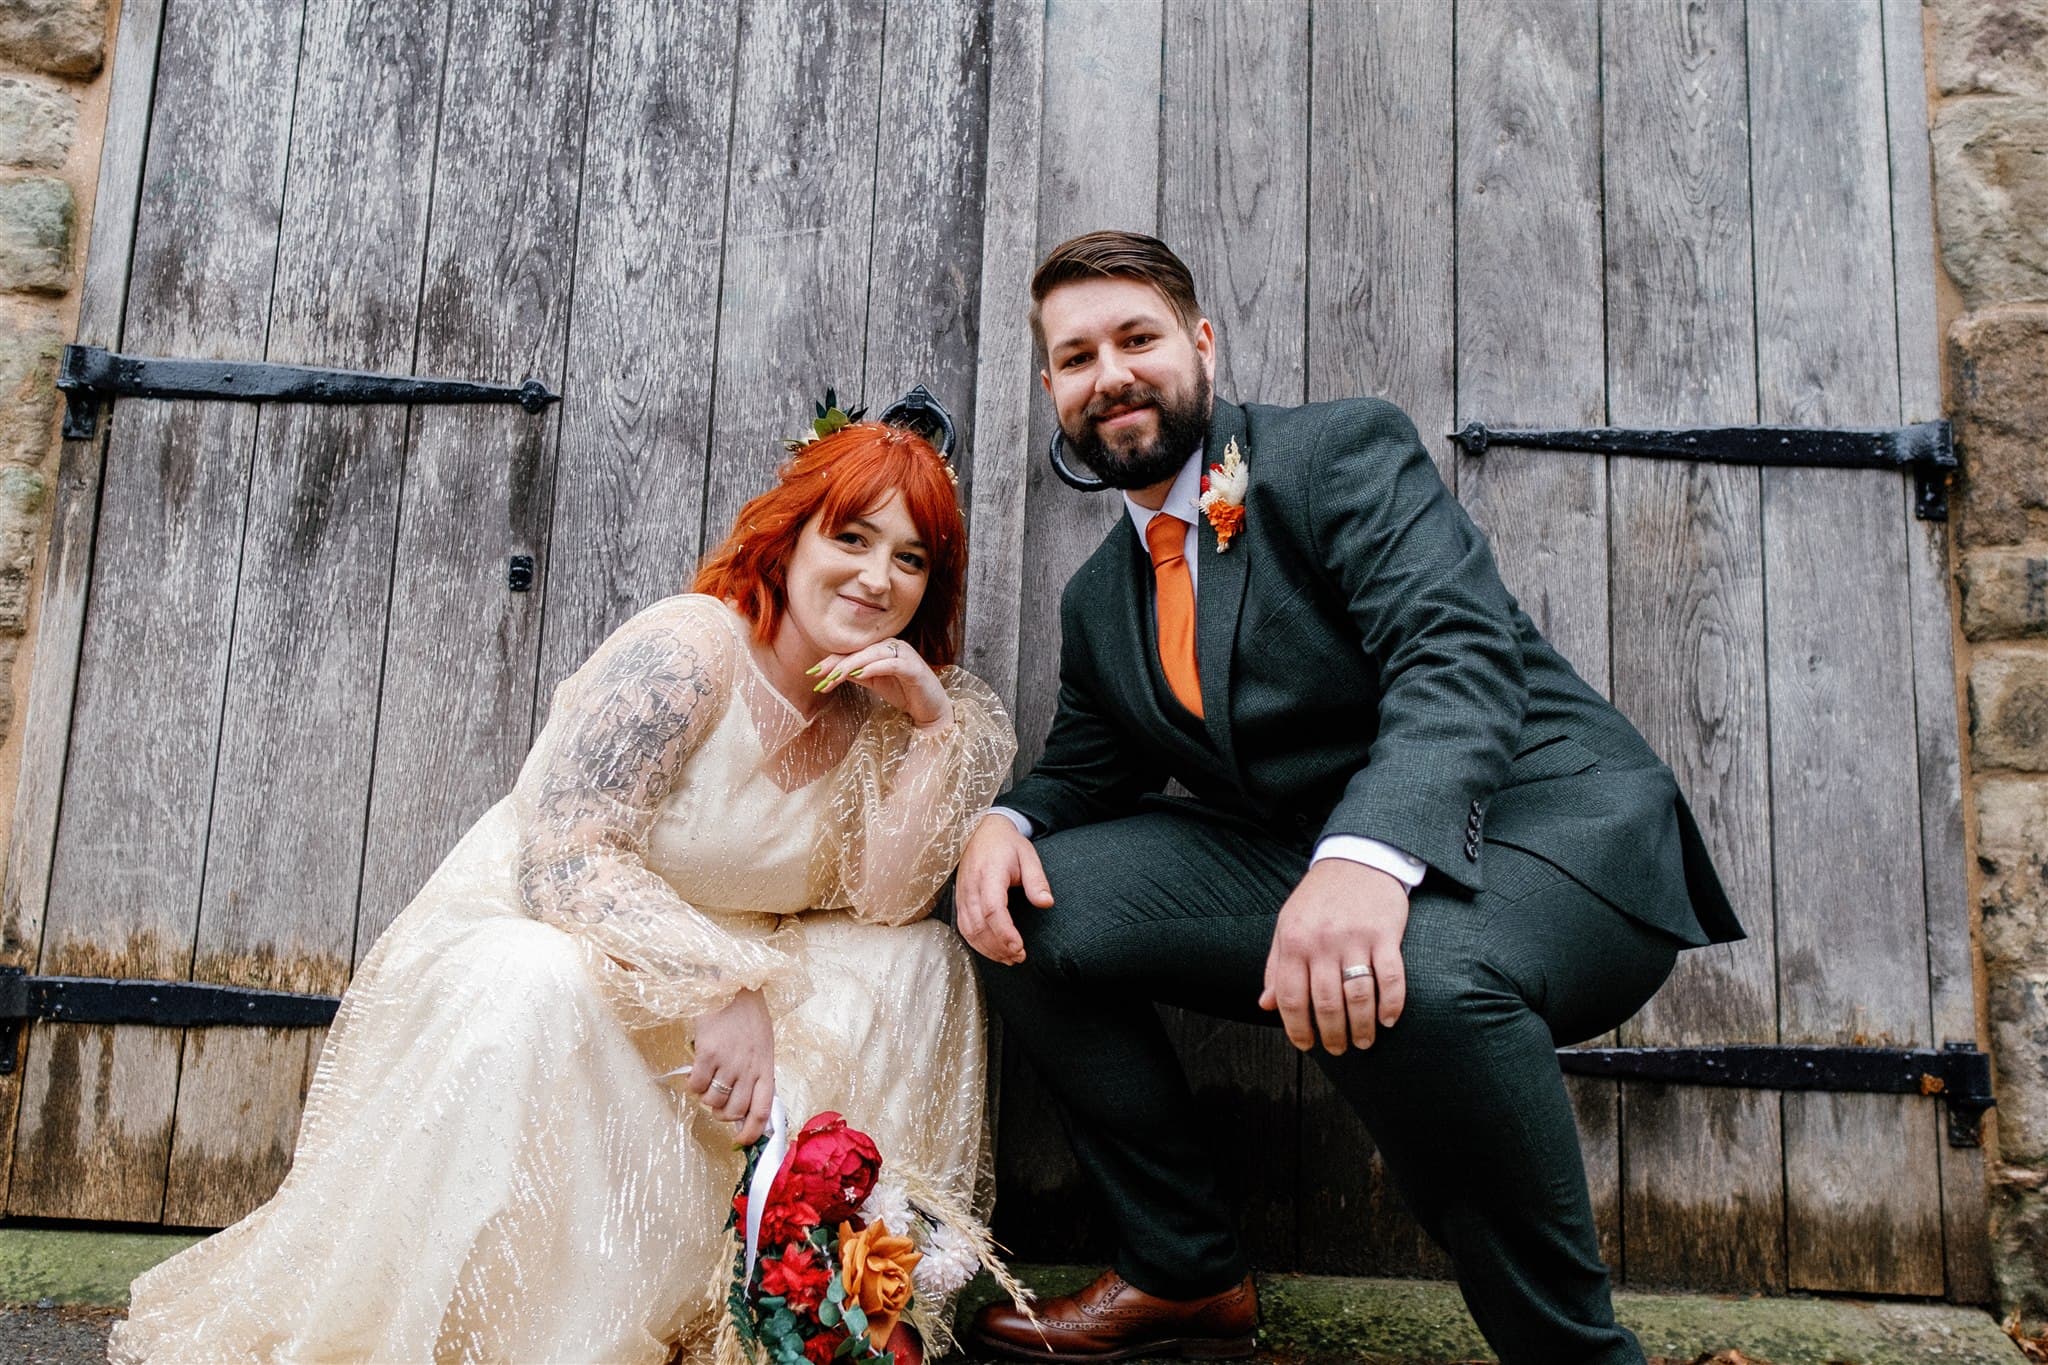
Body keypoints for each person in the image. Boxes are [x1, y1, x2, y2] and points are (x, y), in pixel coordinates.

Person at [954, 232, 1741, 1365]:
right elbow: (1086, 765)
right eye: (1076, 358)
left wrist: (1368, 856)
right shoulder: (1098, 601)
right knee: (1015, 908)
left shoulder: (1332, 454)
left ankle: (1575, 1356)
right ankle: (1183, 1273)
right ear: (1052, 391)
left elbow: (1452, 652)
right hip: (1306, 860)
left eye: (1137, 338)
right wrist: (1006, 822)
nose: (1110, 374)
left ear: (1202, 347)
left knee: (1406, 970)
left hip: (1543, 829)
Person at [109, 407, 1015, 1365]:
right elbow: (563, 855)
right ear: (789, 538)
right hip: (578, 928)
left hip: (745, 964)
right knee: (534, 978)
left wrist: (926, 730)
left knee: (914, 956)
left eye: (911, 560)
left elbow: (883, 900)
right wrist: (715, 977)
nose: (877, 578)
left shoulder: (893, 705)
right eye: (853, 537)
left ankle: (789, 1297)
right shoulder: (690, 650)